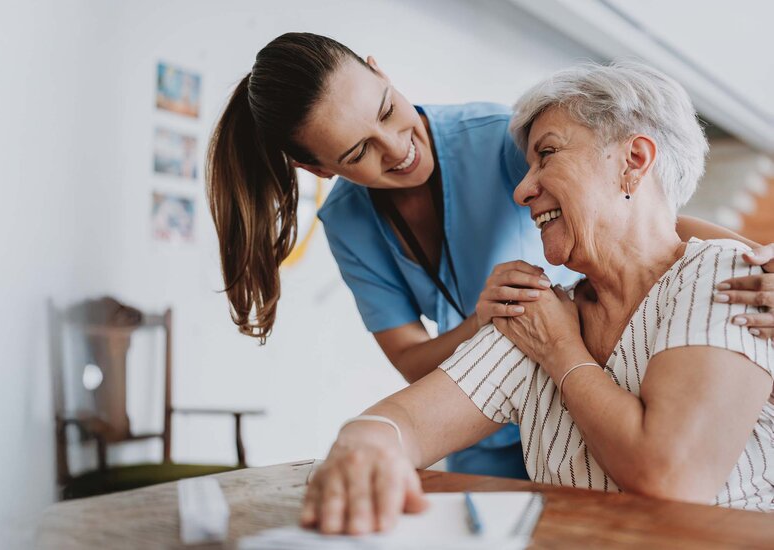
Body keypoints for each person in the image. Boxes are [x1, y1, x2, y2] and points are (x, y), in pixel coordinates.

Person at [205, 32, 774, 479]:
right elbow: (408, 375)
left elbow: (631, 215)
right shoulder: (350, 223)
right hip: (500, 392)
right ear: (320, 170)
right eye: (359, 151)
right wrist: (488, 324)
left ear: (382, 73)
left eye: (386, 111)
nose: (397, 148)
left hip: (564, 368)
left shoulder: (497, 138)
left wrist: (745, 256)